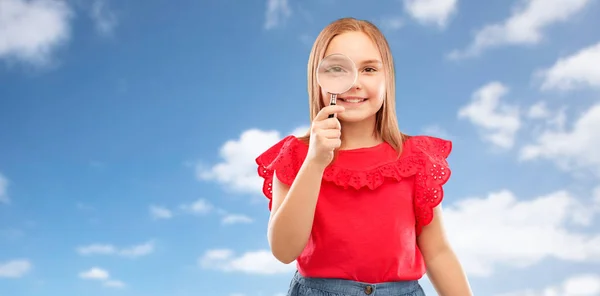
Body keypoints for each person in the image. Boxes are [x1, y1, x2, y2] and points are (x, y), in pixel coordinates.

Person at [255, 17, 472, 296]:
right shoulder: (295, 156)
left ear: (387, 78)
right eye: (338, 69)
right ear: (317, 79)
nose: (354, 82)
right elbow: (284, 251)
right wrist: (315, 162)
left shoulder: (415, 158)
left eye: (369, 69)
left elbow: (438, 252)